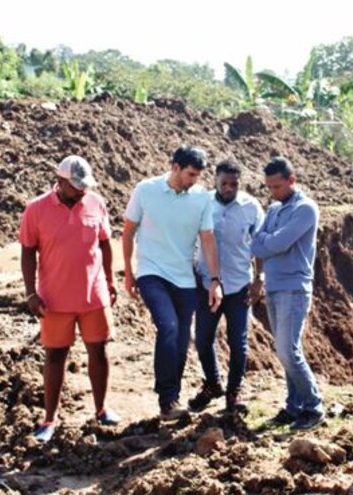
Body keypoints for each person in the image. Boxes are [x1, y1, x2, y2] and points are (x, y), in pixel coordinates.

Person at [19, 155, 120, 444]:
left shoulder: (96, 203)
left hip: (93, 294)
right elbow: (28, 252)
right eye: (76, 186)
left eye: (85, 186)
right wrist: (31, 293)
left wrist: (110, 281)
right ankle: (49, 419)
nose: (81, 191)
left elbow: (105, 244)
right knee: (55, 355)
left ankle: (101, 409)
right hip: (54, 297)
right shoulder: (36, 209)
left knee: (98, 350)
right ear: (60, 181)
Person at [122, 145, 222, 420]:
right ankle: (167, 398)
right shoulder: (146, 190)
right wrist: (129, 272)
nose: (194, 180)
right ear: (175, 167)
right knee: (168, 326)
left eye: (198, 176)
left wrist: (215, 280)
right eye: (190, 174)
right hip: (151, 272)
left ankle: (172, 399)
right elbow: (128, 231)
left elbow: (208, 239)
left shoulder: (201, 198)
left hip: (184, 278)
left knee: (181, 338)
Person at [251, 157, 324, 430]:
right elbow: (256, 245)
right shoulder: (273, 210)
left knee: (287, 351)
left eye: (277, 186)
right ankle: (293, 408)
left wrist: (267, 242)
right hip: (274, 286)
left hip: (294, 288)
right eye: (269, 187)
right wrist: (267, 242)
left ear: (291, 180)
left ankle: (313, 407)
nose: (272, 192)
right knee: (286, 351)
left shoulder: (306, 209)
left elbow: (277, 244)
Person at [188, 160, 265, 414]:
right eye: (224, 183)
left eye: (234, 184)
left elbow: (259, 244)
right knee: (203, 339)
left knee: (238, 342)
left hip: (239, 285)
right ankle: (213, 384)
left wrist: (260, 278)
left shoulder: (251, 207)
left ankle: (234, 393)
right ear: (215, 180)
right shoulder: (202, 203)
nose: (229, 188)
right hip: (206, 285)